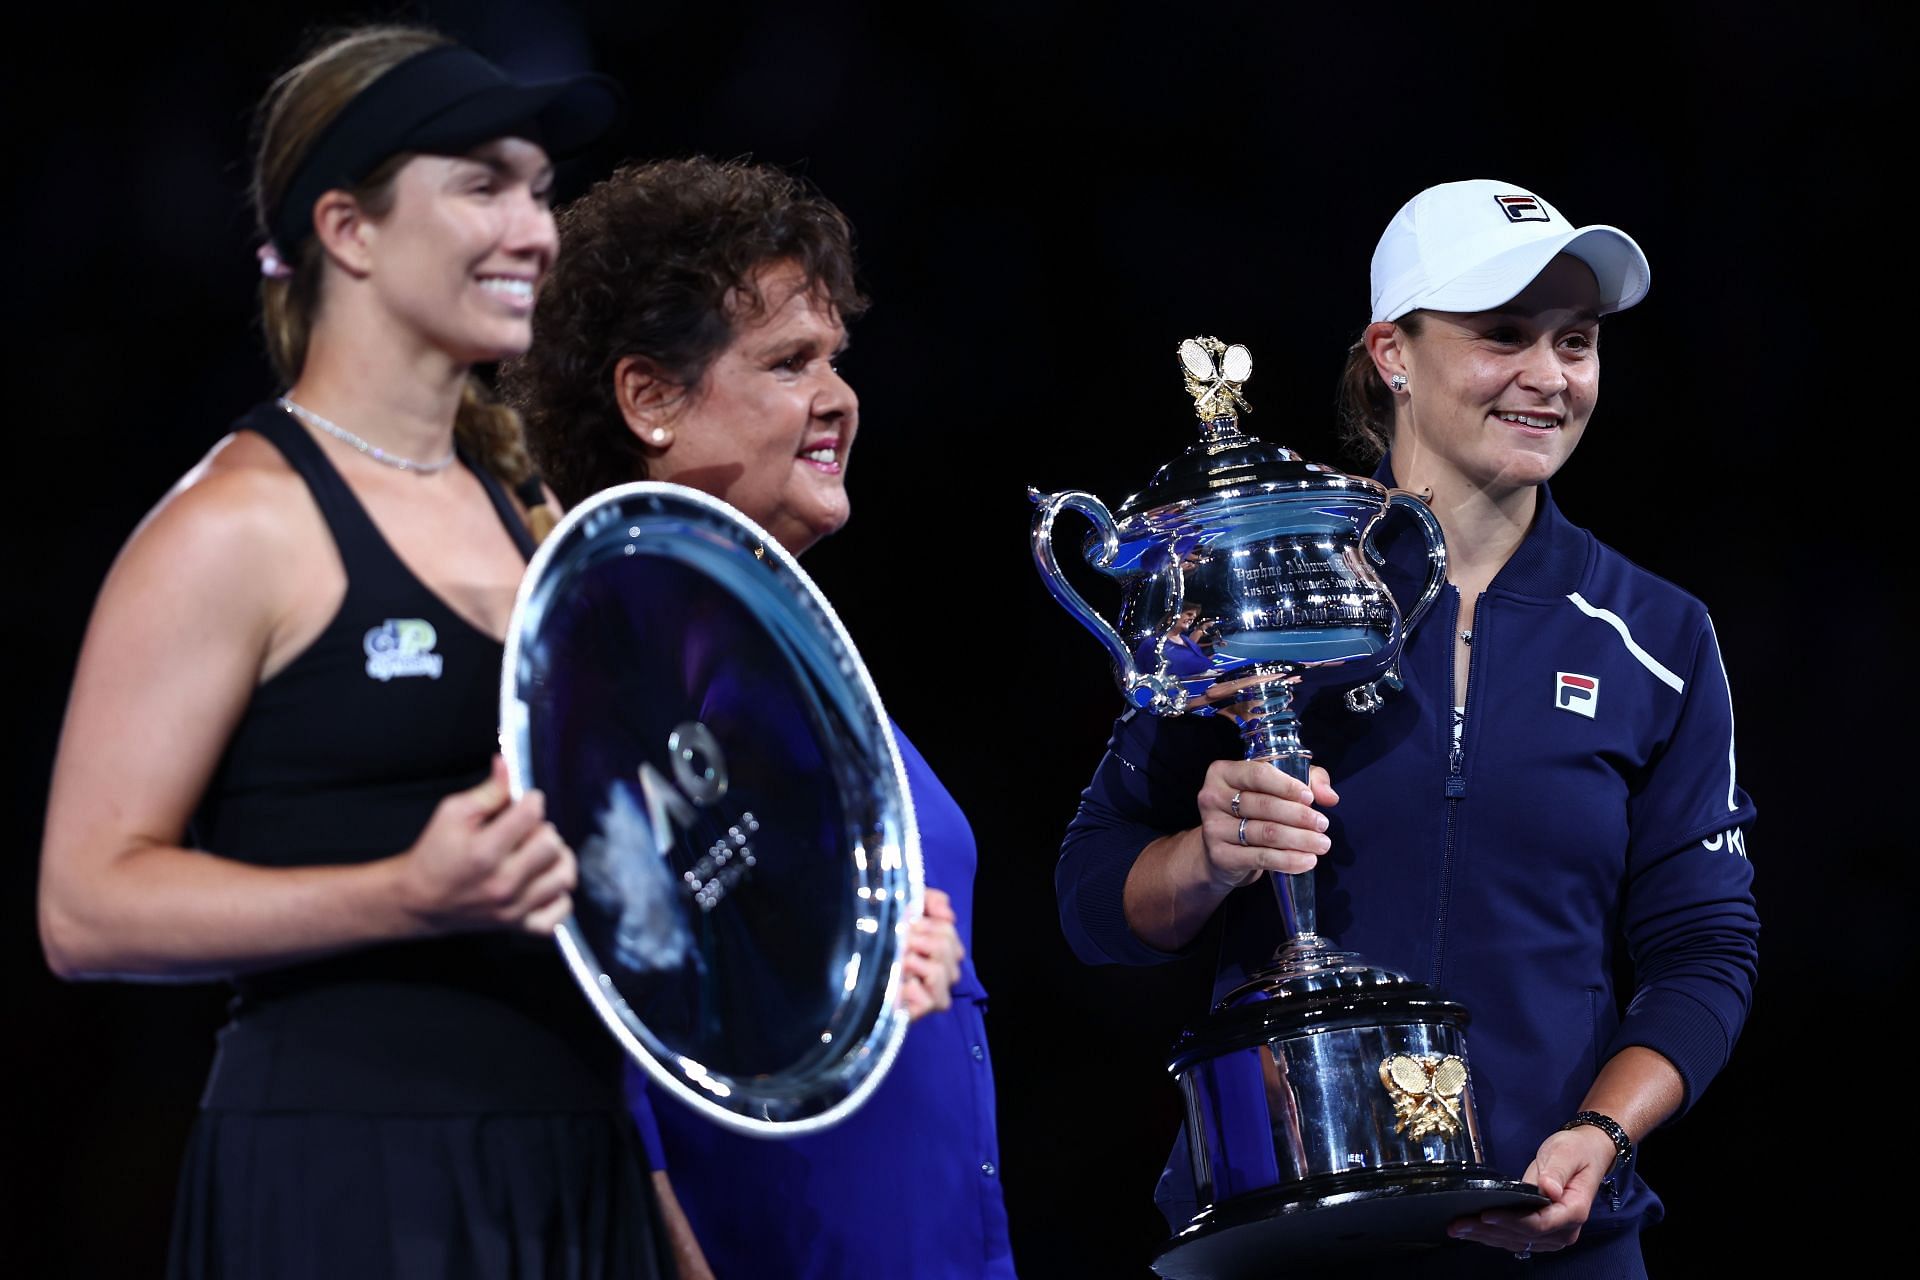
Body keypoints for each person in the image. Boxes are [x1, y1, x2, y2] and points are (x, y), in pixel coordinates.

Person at [35, 26, 695, 1278]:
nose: (536, 230)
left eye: (541, 192)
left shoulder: (534, 511)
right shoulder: (234, 526)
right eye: (484, 185)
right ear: (349, 229)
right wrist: (404, 890)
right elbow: (83, 905)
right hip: (352, 1167)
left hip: (574, 1157)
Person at [1055, 179, 1758, 1275]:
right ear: (1393, 352)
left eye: (1575, 341)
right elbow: (1094, 898)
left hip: (1556, 1244)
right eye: (1503, 335)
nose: (1548, 375)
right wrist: (1206, 858)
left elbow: (1704, 947)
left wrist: (1603, 1134)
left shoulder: (1656, 634)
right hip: (1283, 1238)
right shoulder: (1263, 585)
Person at [500, 156, 1017, 1280]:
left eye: (837, 359)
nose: (839, 397)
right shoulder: (585, 681)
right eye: (790, 363)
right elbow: (595, 1061)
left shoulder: (785, 653)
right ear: (649, 399)